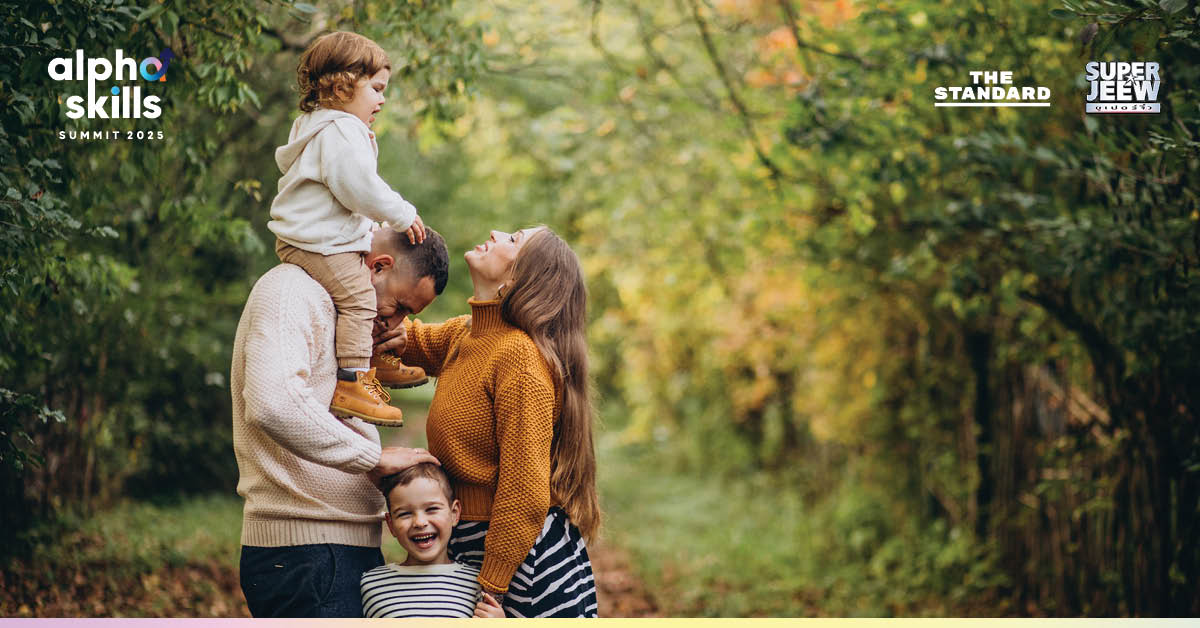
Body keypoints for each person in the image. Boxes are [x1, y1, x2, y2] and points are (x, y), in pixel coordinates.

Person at [376, 227, 601, 617]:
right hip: (475, 540)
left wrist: (491, 585)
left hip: (517, 561)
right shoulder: (469, 333)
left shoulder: (518, 358)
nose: (496, 233)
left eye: (512, 239)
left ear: (520, 279)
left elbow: (525, 488)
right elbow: (414, 340)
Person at [232, 226, 450, 618]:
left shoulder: (341, 313)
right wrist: (372, 458)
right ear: (379, 266)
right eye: (399, 305)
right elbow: (272, 404)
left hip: (336, 552)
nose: (397, 319)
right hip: (307, 554)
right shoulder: (291, 292)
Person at [269, 30, 429, 426]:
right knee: (361, 299)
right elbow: (358, 188)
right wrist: (401, 214)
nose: (382, 99)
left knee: (362, 290)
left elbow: (339, 198)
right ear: (342, 86)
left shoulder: (319, 126)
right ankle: (353, 382)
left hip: (311, 238)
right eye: (376, 88)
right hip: (316, 244)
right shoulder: (342, 130)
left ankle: (372, 363)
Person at [359, 463, 505, 618]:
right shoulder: (371, 584)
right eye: (405, 514)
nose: (420, 522)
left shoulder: (478, 584)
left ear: (454, 513)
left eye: (431, 509)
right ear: (391, 524)